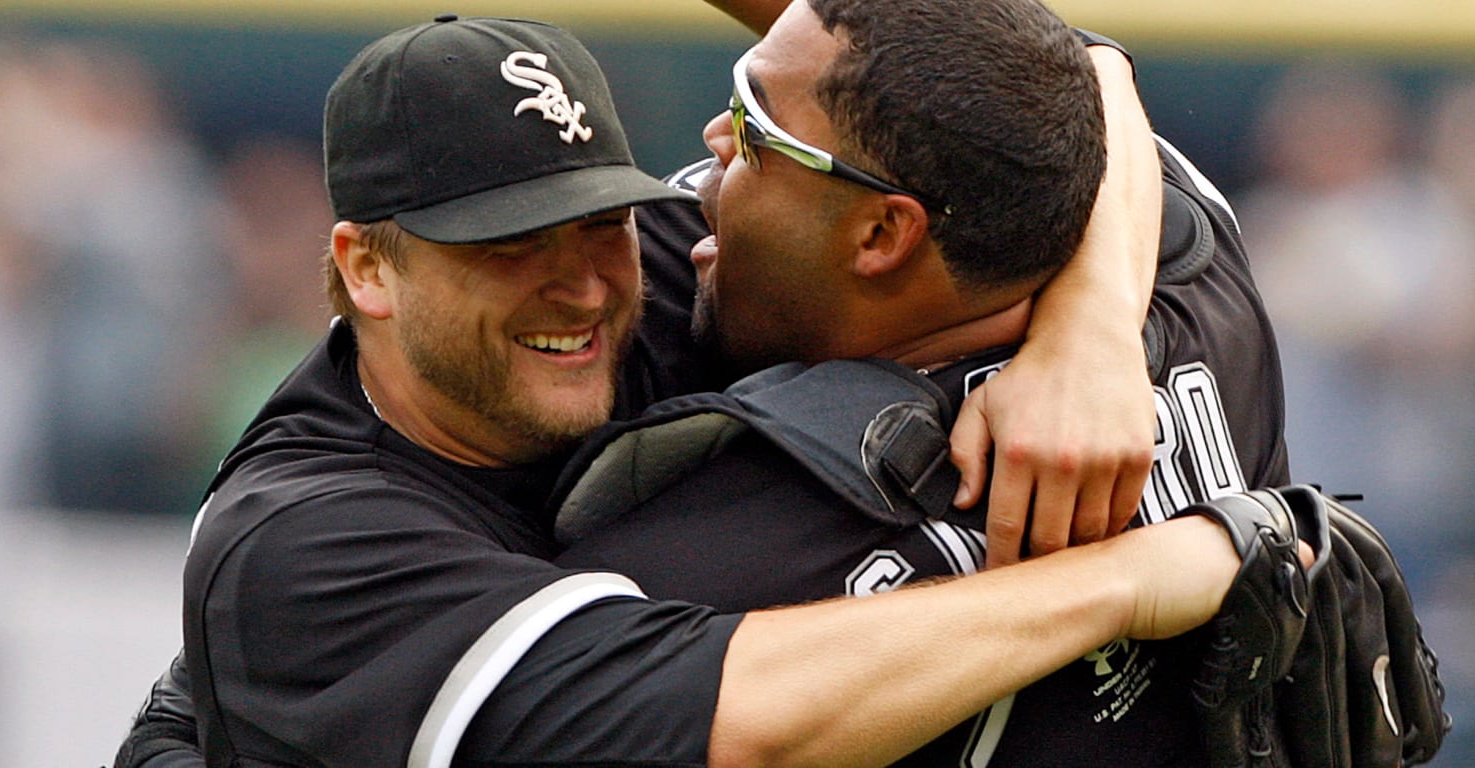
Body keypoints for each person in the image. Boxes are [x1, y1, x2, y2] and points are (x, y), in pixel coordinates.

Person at [103, 9, 1272, 768]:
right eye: (507, 245)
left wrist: (1095, 332)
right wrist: (1132, 578)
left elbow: (1055, 78)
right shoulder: (309, 542)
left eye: (599, 218)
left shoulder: (678, 277)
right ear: (367, 267)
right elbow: (734, 719)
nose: (577, 285)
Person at [543, 0, 1287, 765]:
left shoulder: (711, 559)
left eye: (755, 129)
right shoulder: (1197, 284)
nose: (718, 138)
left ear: (881, 234)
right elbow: (1059, 70)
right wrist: (1096, 319)